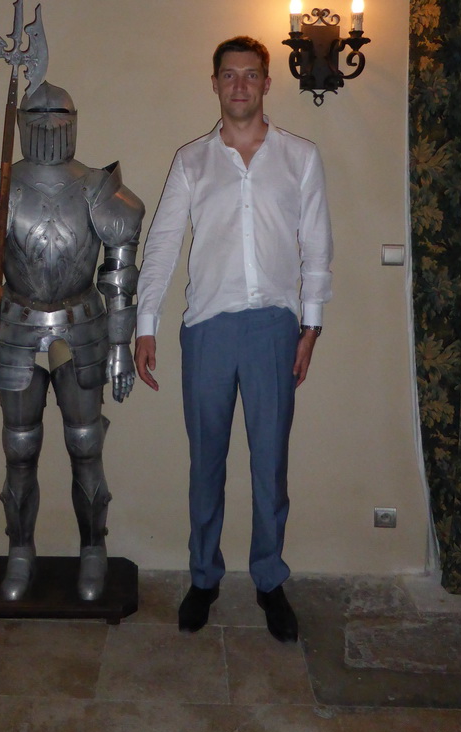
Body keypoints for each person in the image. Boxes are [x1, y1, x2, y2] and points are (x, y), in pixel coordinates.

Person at [134, 35, 332, 641]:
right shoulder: (191, 161)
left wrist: (311, 325)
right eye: (229, 75)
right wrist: (147, 324)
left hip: (274, 327)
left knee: (270, 465)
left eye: (251, 75)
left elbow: (316, 245)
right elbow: (164, 243)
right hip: (208, 330)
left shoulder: (300, 156)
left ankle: (270, 581)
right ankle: (204, 578)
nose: (240, 85)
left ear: (268, 84)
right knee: (207, 464)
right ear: (215, 83)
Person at [0, 79, 144, 604]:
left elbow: (120, 279)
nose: (50, 122)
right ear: (21, 121)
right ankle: (20, 551)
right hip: (15, 325)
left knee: (86, 444)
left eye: (60, 111)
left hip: (82, 325)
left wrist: (122, 346)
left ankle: (93, 550)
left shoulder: (98, 191)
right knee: (19, 450)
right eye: (40, 112)